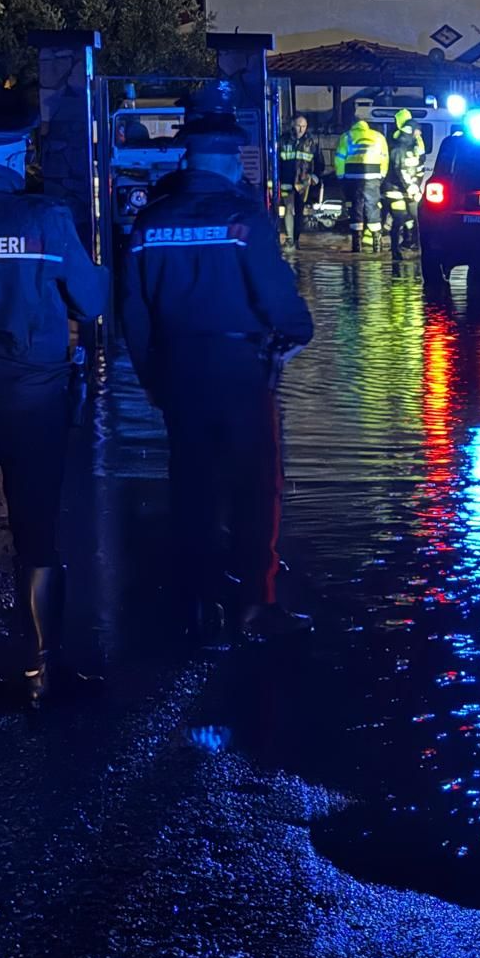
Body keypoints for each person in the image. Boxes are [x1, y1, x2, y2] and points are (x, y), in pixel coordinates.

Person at [121, 83, 315, 643]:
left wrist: (153, 378)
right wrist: (297, 330)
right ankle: (254, 603)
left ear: (187, 155)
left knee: (193, 489)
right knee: (256, 487)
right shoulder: (244, 218)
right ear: (231, 159)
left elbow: (133, 312)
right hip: (240, 370)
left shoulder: (149, 223)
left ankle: (198, 607)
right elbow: (277, 298)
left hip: (178, 372)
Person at [0, 88, 109, 705]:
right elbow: (91, 303)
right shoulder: (46, 218)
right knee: (37, 534)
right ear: (20, 151)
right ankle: (42, 671)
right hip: (33, 400)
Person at [333, 115, 388, 252]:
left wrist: (341, 177)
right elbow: (384, 158)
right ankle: (377, 245)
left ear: (353, 124)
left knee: (355, 208)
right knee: (373, 208)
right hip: (373, 177)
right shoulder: (378, 137)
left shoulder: (347, 137)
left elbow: (340, 158)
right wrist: (381, 176)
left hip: (352, 178)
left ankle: (357, 245)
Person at [381, 109, 425, 252]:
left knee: (415, 217)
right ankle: (395, 250)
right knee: (399, 219)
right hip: (395, 191)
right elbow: (400, 170)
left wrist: (417, 185)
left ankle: (415, 245)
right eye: (417, 132)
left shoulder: (415, 147)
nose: (419, 135)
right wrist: (411, 188)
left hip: (409, 190)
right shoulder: (398, 148)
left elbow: (419, 168)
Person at [277, 114, 318, 247]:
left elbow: (317, 160)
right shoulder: (283, 140)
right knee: (289, 208)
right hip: (286, 180)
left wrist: (315, 176)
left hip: (303, 181)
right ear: (292, 125)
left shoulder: (311, 142)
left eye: (304, 126)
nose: (301, 129)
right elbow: (276, 161)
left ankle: (296, 239)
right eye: (298, 126)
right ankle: (289, 239)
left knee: (299, 210)